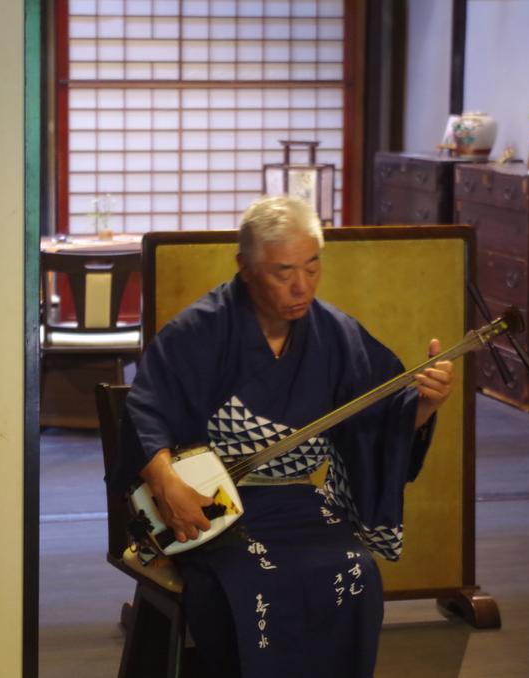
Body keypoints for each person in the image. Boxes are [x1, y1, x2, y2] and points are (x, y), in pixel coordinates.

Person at [114, 196, 455, 677]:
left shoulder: (336, 335)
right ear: (246, 268)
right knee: (248, 583)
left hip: (295, 502)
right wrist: (168, 483)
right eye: (283, 271)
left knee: (355, 572)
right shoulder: (202, 329)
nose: (302, 286)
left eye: (312, 266)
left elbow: (378, 421)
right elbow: (146, 407)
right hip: (211, 507)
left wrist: (424, 405)